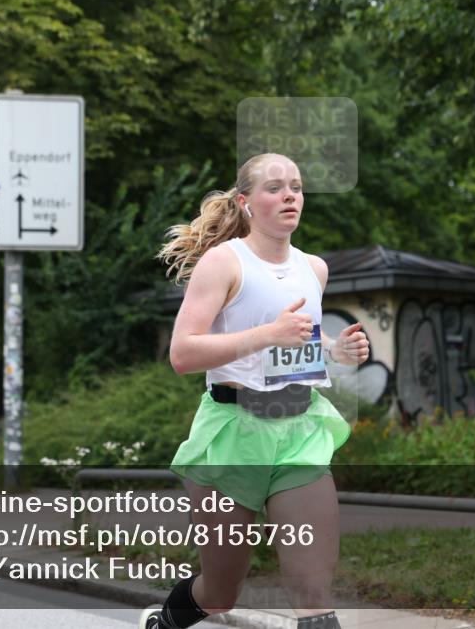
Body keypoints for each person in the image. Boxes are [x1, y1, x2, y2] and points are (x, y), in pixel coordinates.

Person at [145, 153, 369, 629]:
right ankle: (165, 624)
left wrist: (336, 350)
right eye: (275, 188)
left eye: (297, 186)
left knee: (313, 590)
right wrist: (268, 334)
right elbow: (183, 354)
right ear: (246, 203)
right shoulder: (223, 263)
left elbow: (301, 337)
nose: (290, 195)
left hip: (300, 433)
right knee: (220, 593)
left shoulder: (314, 268)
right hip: (233, 435)